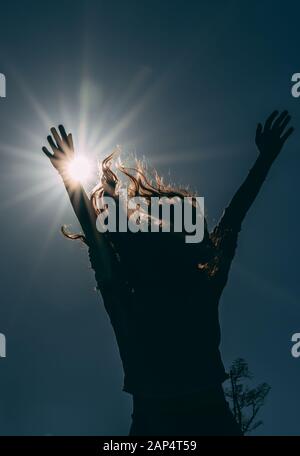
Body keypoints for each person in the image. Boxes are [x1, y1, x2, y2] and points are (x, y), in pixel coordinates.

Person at [42, 110, 293, 435]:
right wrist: (264, 161)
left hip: (168, 416)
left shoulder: (134, 293)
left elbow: (95, 237)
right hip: (187, 416)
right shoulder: (190, 284)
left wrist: (68, 176)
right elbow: (232, 220)